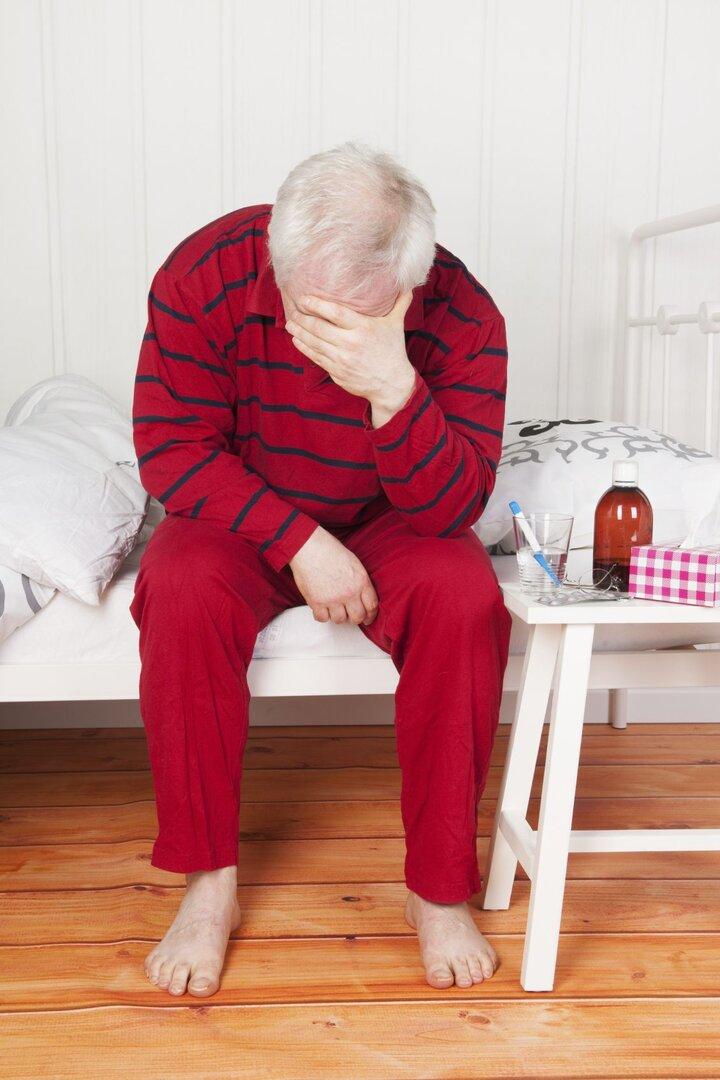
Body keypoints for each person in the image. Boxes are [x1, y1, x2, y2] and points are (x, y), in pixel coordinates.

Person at [129, 141, 512, 998]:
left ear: (409, 289)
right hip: (247, 510)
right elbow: (171, 450)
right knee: (180, 583)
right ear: (278, 247)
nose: (316, 335)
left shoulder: (466, 315)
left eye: (351, 317)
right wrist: (301, 542)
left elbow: (452, 509)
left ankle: (438, 889)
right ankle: (208, 885)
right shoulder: (206, 269)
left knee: (465, 596)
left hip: (396, 514)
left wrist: (394, 389)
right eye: (307, 305)